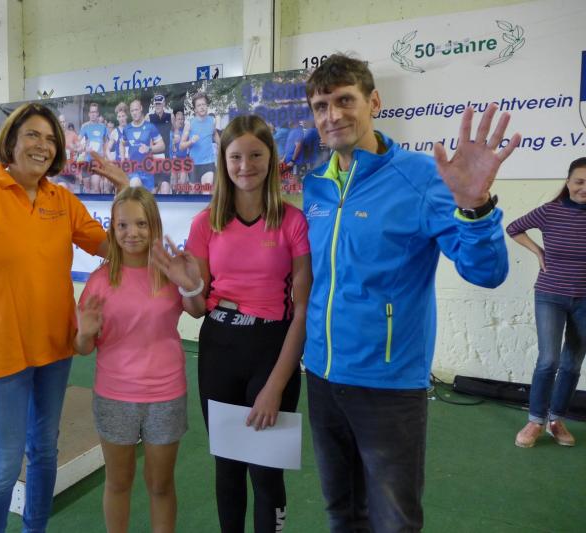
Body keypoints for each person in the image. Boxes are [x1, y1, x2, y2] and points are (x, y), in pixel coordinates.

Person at [302, 54, 520, 532]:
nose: (332, 115)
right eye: (321, 105)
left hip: (388, 384)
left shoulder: (421, 177)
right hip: (320, 375)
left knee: (394, 521)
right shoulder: (315, 186)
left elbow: (487, 272)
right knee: (341, 512)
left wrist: (476, 206)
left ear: (374, 102)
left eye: (344, 100)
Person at [0, 103, 121, 533]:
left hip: (55, 347)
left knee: (45, 450)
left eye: (51, 139)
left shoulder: (62, 200)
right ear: (11, 141)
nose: (43, 146)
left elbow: (114, 248)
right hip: (3, 352)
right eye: (33, 135)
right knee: (6, 461)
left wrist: (124, 188)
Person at [152, 114, 311, 532]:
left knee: (266, 473)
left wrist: (275, 386)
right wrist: (188, 286)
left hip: (272, 350)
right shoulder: (205, 223)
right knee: (228, 468)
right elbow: (196, 308)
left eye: (255, 155)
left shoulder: (292, 222)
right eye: (236, 157)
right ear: (223, 162)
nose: (245, 166)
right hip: (219, 349)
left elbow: (302, 310)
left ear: (271, 158)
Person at [74, 186, 190, 533]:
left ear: (154, 226)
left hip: (166, 396)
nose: (131, 233)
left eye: (141, 224)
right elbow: (83, 347)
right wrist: (84, 334)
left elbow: (198, 309)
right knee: (118, 482)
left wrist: (192, 284)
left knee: (160, 485)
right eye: (122, 225)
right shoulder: (99, 281)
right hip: (114, 397)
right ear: (112, 229)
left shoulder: (169, 274)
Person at [508, 157, 586, 448]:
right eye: (579, 181)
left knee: (572, 363)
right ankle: (535, 421)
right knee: (548, 360)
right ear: (568, 182)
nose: (584, 188)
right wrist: (537, 251)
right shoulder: (550, 211)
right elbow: (514, 228)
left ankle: (556, 420)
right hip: (550, 295)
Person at [180, 92, 220, 193]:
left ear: (207, 106)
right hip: (194, 165)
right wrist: (191, 141)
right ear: (195, 109)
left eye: (203, 104)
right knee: (194, 195)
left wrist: (222, 145)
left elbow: (214, 134)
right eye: (199, 105)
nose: (202, 107)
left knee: (206, 192)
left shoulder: (212, 121)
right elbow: (181, 146)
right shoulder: (189, 124)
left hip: (208, 163)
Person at [123, 99, 165, 191]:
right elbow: (122, 143)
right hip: (133, 170)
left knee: (147, 198)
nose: (134, 113)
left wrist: (149, 148)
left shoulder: (150, 127)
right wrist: (123, 159)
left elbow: (162, 146)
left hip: (147, 170)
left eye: (136, 110)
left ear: (141, 108)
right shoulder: (127, 129)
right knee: (135, 185)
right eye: (132, 111)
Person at [80, 102, 109, 193]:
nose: (93, 114)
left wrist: (105, 155)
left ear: (98, 114)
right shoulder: (85, 126)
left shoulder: (103, 127)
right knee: (87, 189)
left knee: (96, 187)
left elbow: (107, 143)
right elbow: (78, 142)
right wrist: (85, 148)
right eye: (91, 112)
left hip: (97, 161)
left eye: (95, 112)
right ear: (89, 114)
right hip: (87, 161)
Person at [149, 94, 174, 194]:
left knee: (165, 187)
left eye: (159, 104)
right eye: (156, 104)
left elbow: (175, 130)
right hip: (153, 157)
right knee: (153, 190)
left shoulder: (170, 116)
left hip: (166, 157)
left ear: (164, 104)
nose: (158, 106)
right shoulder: (149, 118)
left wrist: (175, 140)